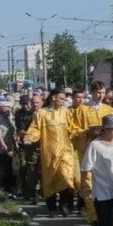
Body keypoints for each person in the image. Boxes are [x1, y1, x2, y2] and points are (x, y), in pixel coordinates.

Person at [23, 88, 79, 216]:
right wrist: (29, 137)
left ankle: (66, 205)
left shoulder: (66, 112)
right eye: (61, 99)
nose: (63, 101)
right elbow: (35, 129)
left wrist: (80, 132)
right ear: (53, 98)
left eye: (64, 99)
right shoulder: (41, 114)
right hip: (49, 152)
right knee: (50, 180)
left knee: (66, 177)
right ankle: (52, 207)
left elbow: (73, 127)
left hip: (66, 151)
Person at [71, 81, 113, 224]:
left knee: (108, 183)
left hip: (106, 153)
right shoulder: (82, 110)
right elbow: (73, 129)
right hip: (88, 151)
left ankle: (109, 217)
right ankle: (93, 218)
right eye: (97, 93)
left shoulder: (109, 109)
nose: (100, 95)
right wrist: (87, 132)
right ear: (91, 92)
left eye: (103, 92)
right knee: (88, 185)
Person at [15, 94, 41, 202]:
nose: (27, 106)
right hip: (28, 145)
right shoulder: (22, 115)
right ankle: (29, 191)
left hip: (44, 144)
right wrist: (31, 136)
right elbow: (20, 130)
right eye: (24, 104)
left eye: (37, 103)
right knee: (28, 168)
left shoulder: (44, 113)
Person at [0, 98, 17, 193]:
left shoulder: (12, 117)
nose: (5, 111)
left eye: (7, 109)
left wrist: (10, 117)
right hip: (1, 147)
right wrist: (5, 148)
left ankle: (13, 186)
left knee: (13, 168)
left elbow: (15, 129)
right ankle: (5, 187)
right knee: (4, 168)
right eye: (3, 109)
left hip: (13, 146)